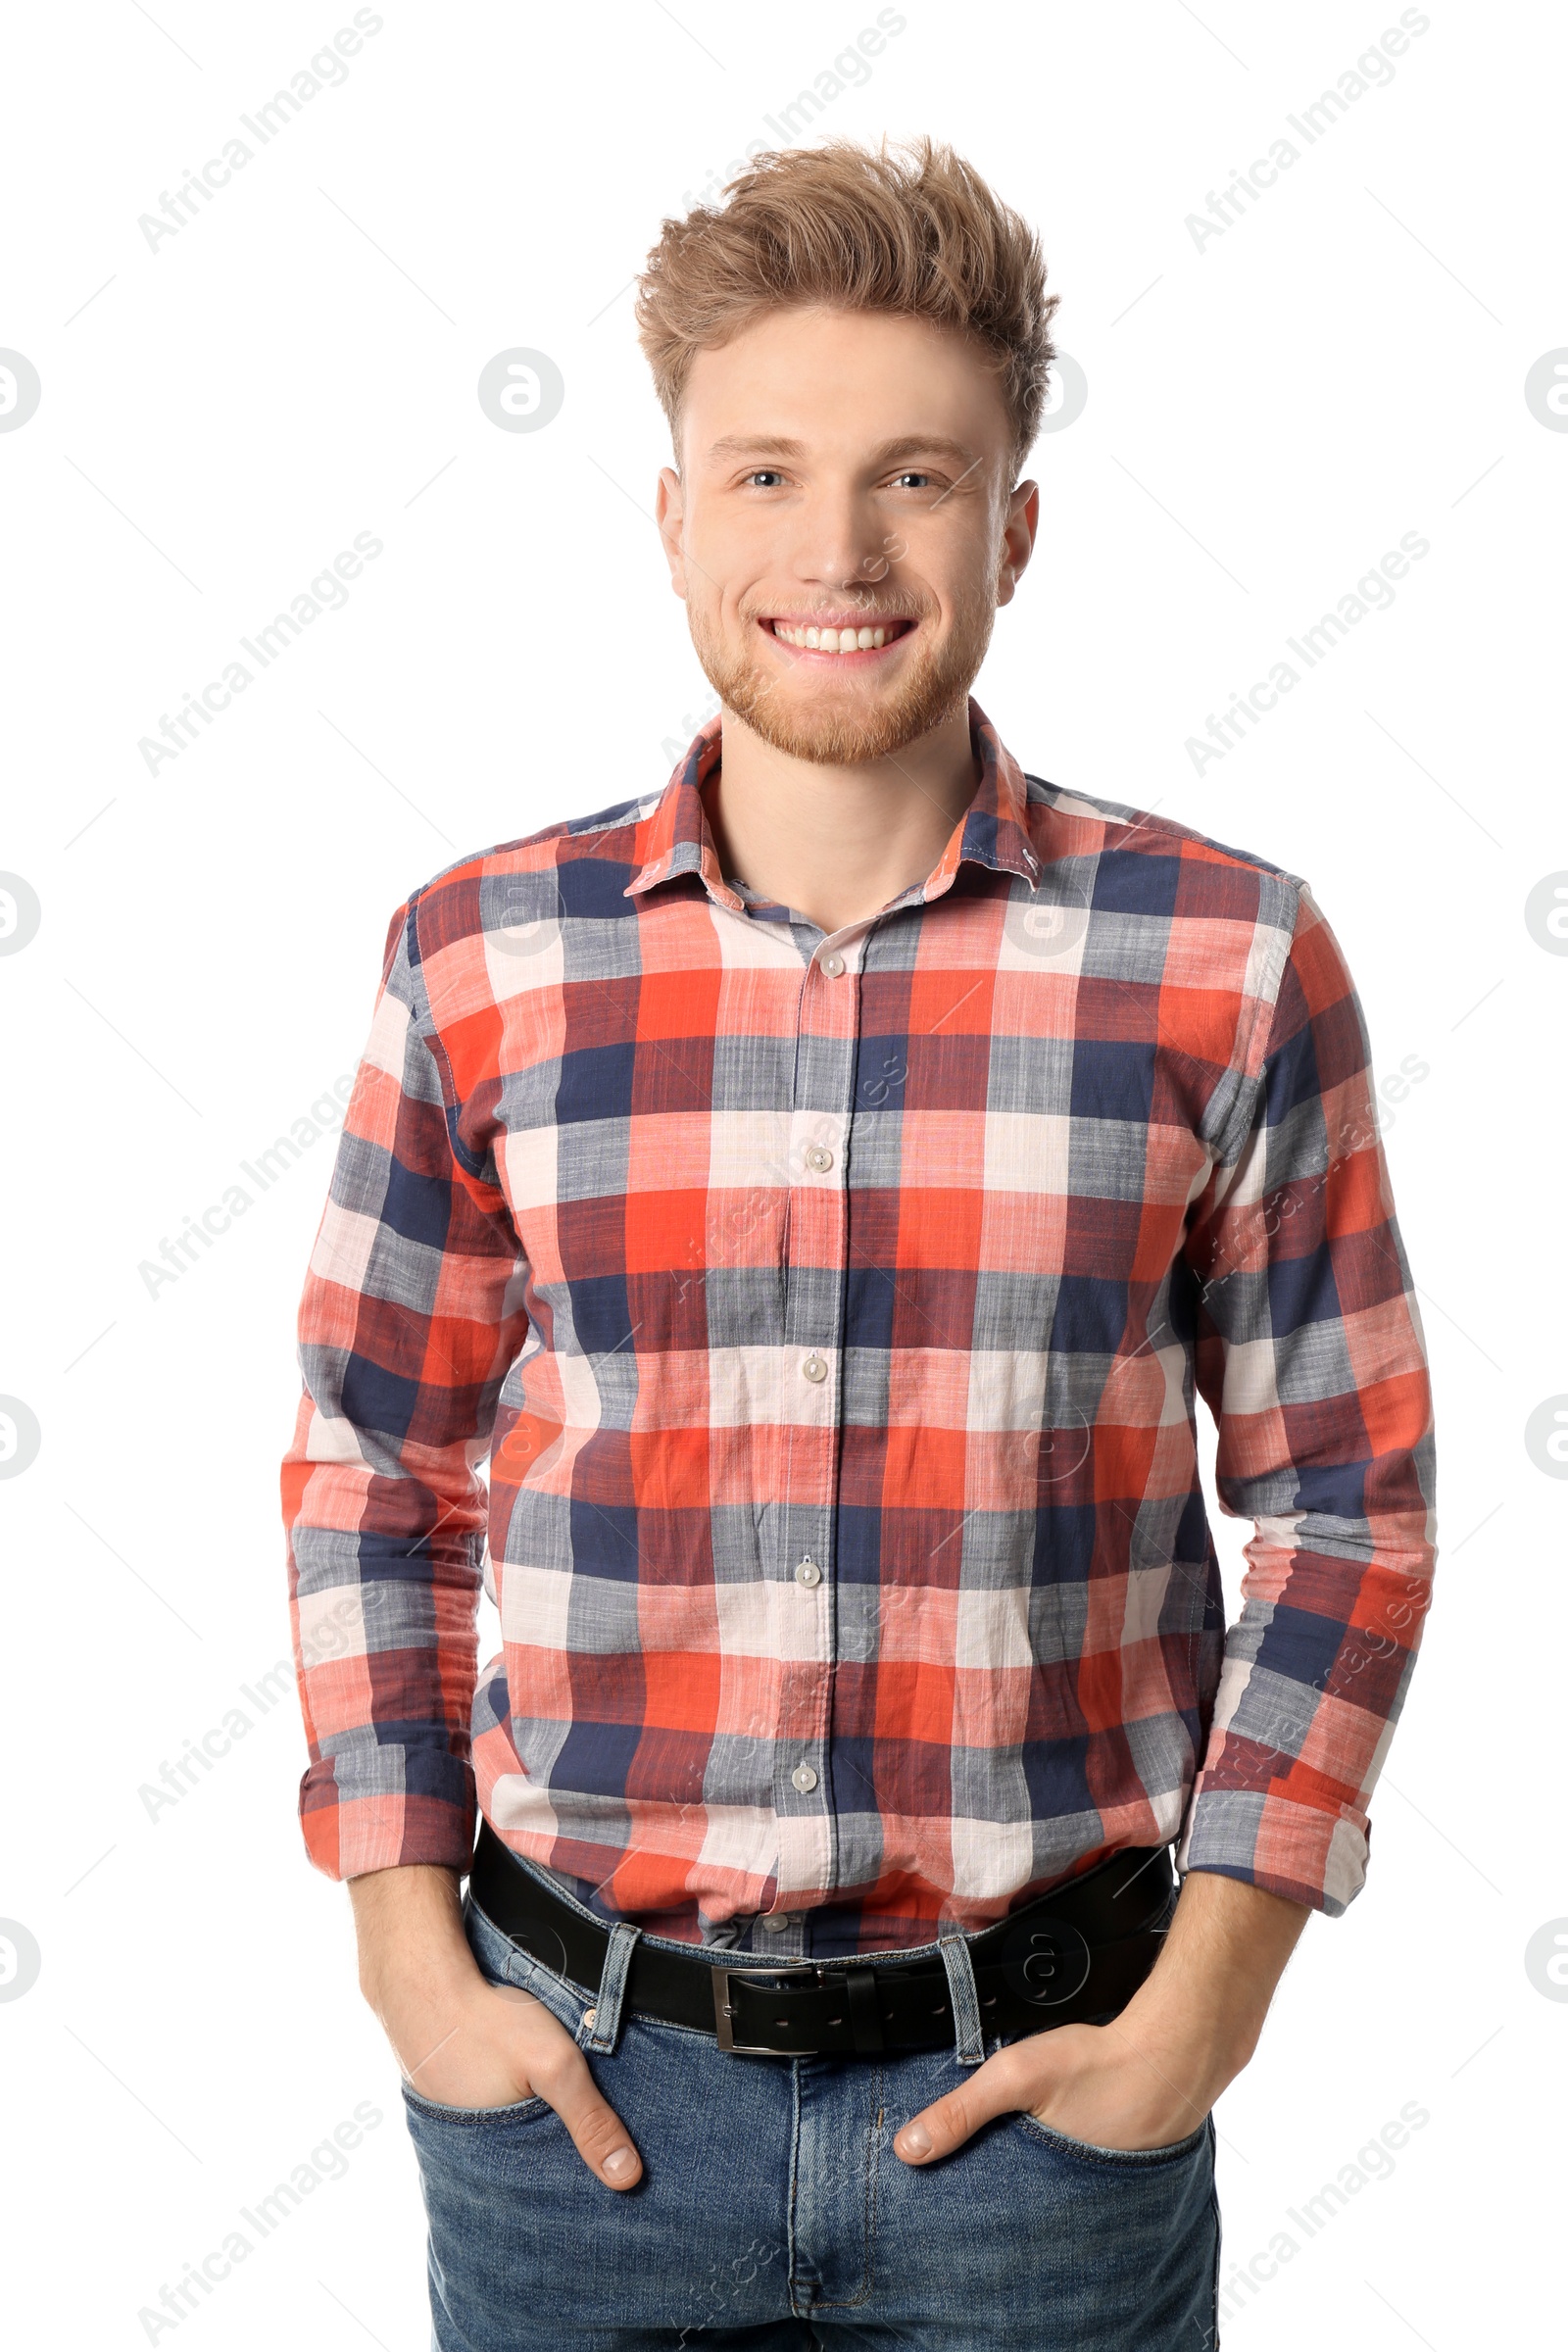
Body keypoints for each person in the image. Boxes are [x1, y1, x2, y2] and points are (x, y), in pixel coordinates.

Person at [281, 135, 1437, 2351]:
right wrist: (407, 1961)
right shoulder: (476, 959)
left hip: (1049, 2121)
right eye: (763, 475)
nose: (835, 550)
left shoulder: (1225, 958)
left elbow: (1341, 1505)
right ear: (669, 514)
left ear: (1009, 526)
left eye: (913, 479)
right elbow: (370, 1471)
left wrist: (1205, 2008)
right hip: (570, 2109)